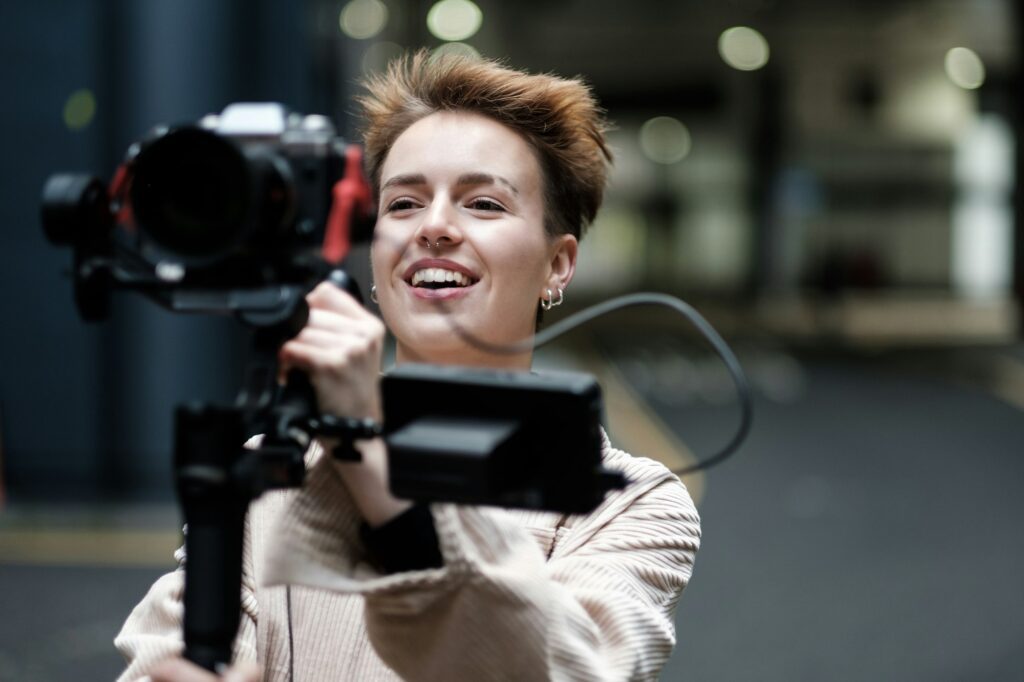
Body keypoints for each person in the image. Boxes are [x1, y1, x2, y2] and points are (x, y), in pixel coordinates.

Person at [116, 51, 701, 682]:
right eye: (402, 204)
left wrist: (367, 446)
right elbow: (162, 657)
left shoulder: (631, 502)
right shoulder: (279, 464)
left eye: (484, 203)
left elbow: (568, 669)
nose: (436, 227)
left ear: (558, 264)